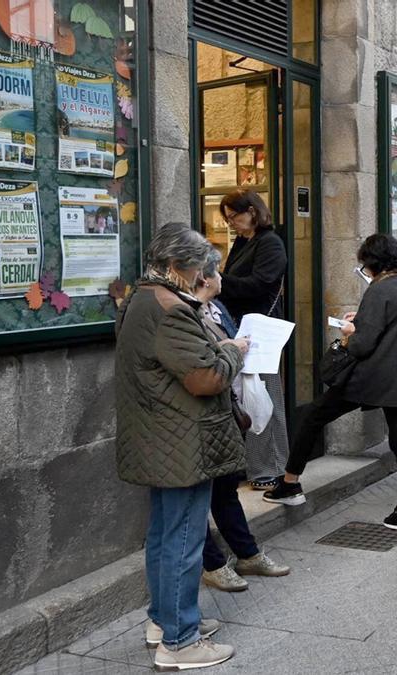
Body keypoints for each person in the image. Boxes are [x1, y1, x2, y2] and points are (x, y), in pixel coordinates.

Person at [115, 223, 247, 670]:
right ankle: (180, 641)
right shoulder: (169, 308)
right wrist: (233, 349)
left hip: (162, 437)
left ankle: (163, 621)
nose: (202, 275)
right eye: (198, 267)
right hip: (181, 440)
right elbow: (206, 376)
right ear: (176, 266)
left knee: (166, 535)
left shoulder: (144, 297)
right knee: (184, 539)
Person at [264, 235, 397, 535]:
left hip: (370, 377)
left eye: (365, 264)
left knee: (314, 415)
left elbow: (363, 345)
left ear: (374, 262)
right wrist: (361, 322)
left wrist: (351, 330)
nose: (364, 269)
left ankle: (290, 482)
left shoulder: (380, 289)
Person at [192, 250, 291, 592]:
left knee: (226, 487)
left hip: (226, 410)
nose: (224, 276)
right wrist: (235, 349)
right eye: (218, 271)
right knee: (195, 498)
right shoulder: (187, 314)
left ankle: (247, 554)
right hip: (202, 415)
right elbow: (206, 363)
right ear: (203, 278)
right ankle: (213, 564)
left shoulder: (216, 309)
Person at [217, 189, 289, 491]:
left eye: (235, 216)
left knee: (264, 397)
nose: (232, 223)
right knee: (251, 396)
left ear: (253, 211)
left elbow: (260, 285)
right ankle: (258, 466)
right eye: (228, 219)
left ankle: (271, 468)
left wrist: (221, 282)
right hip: (243, 328)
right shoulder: (244, 241)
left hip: (261, 333)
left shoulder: (270, 243)